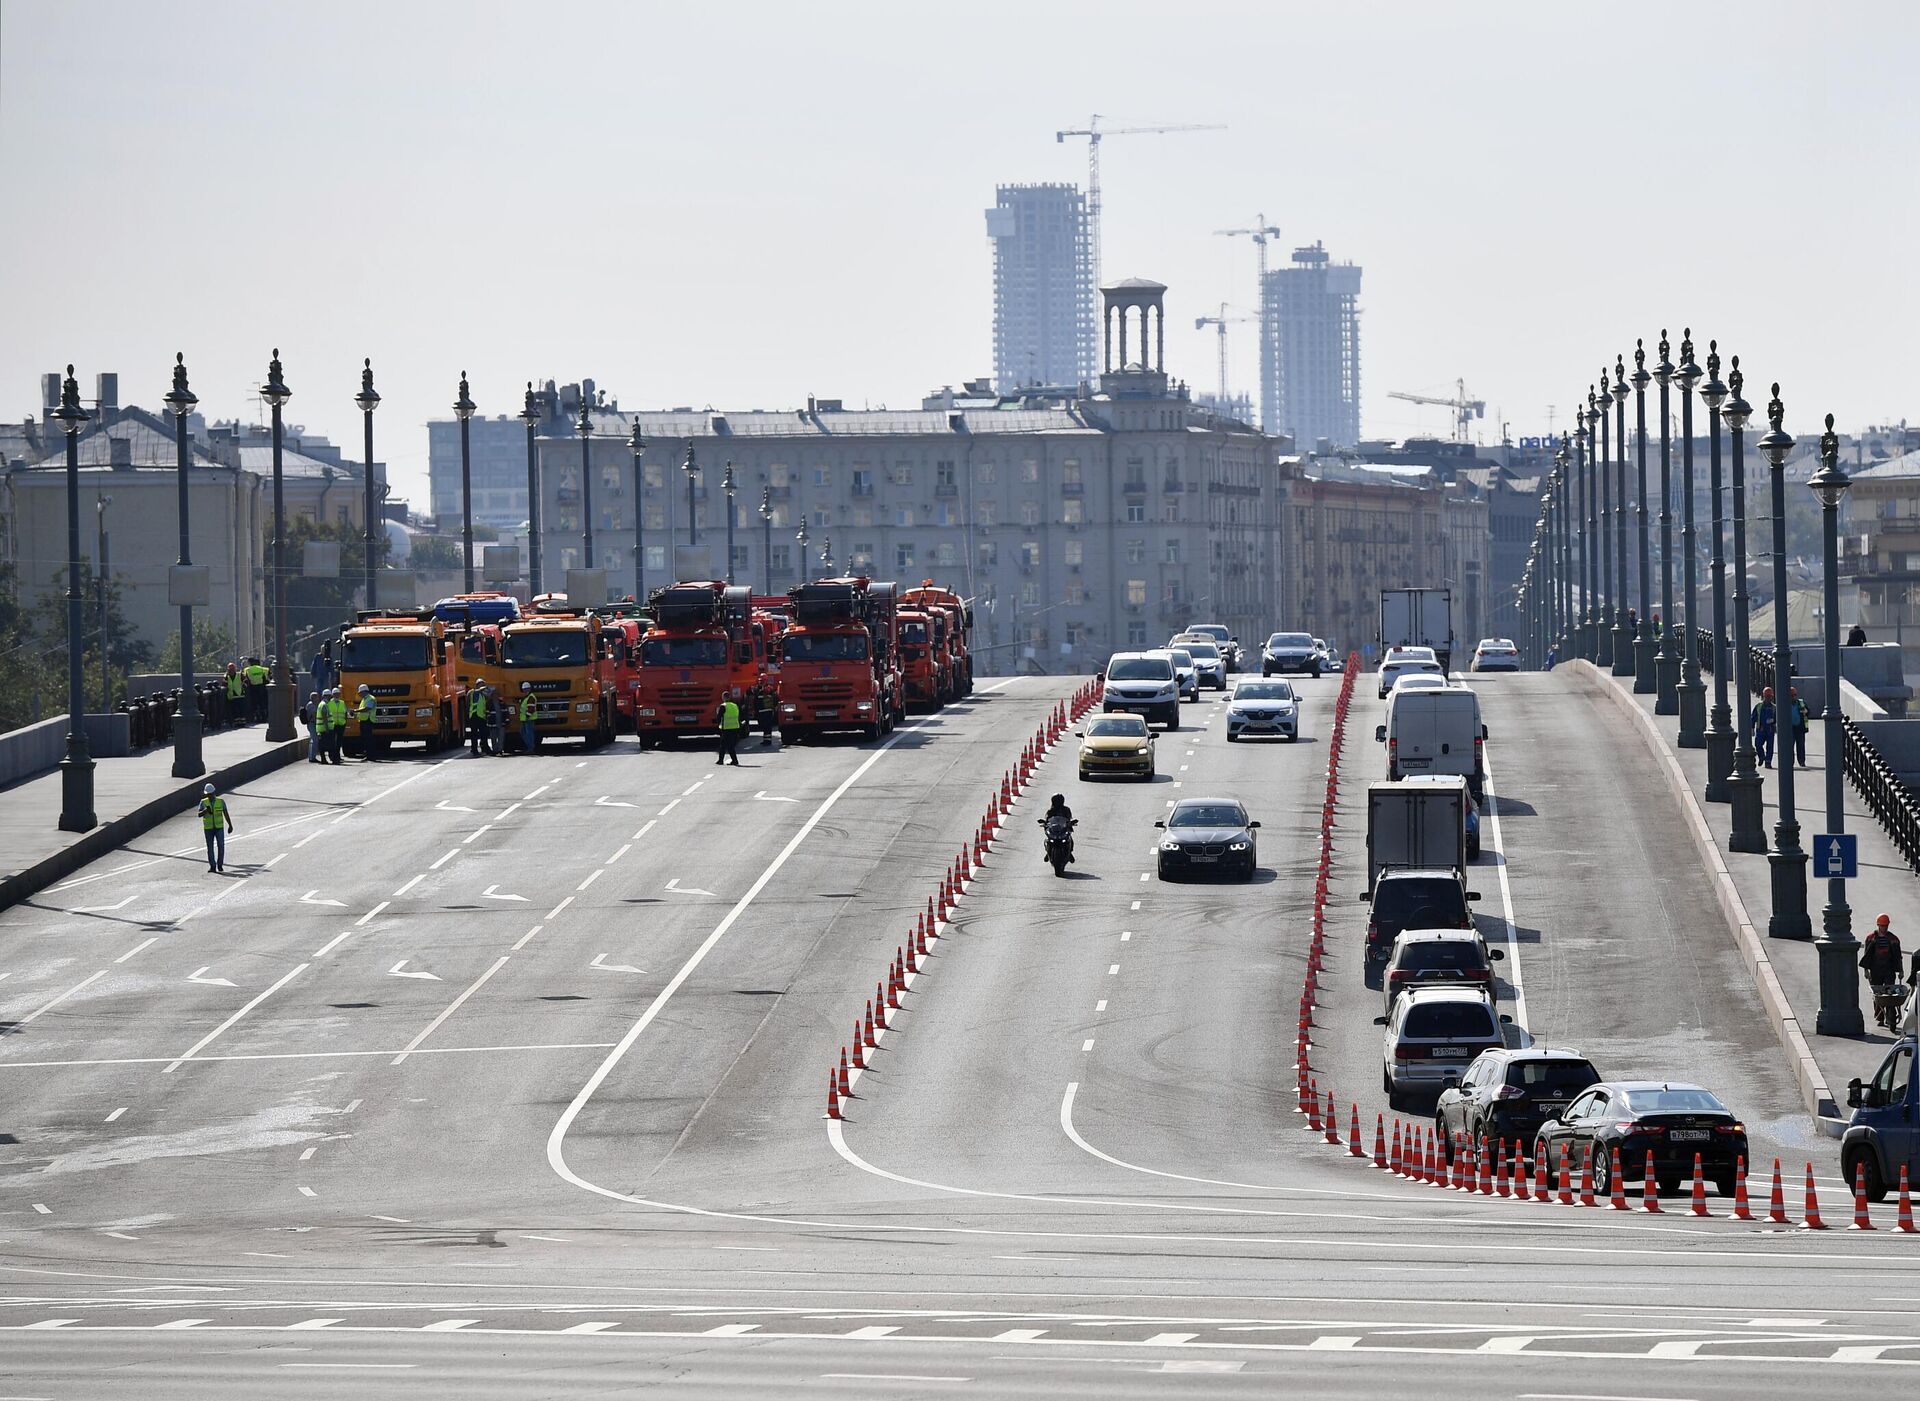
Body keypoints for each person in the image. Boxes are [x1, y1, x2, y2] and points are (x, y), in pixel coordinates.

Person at [198, 782, 233, 873]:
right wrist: (205, 811)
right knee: (210, 848)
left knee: (221, 846)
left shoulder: (220, 801)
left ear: (214, 793)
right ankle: (212, 866)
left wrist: (230, 825)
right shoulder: (203, 802)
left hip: (219, 827)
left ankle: (220, 864)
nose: (209, 796)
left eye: (210, 794)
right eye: (207, 794)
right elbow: (199, 814)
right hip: (208, 828)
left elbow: (225, 813)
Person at [1041, 792, 1075, 865]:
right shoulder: (1050, 811)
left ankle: (1070, 852)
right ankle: (1048, 852)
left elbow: (1069, 818)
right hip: (1053, 830)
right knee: (1047, 840)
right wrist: (1045, 824)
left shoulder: (1066, 810)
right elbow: (1047, 820)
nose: (1058, 803)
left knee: (1070, 839)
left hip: (1063, 829)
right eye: (1057, 801)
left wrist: (1070, 823)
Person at [715, 689, 744, 766]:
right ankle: (722, 760)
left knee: (726, 745)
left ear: (723, 697)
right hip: (735, 727)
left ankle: (732, 760)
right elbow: (740, 715)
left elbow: (718, 717)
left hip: (726, 728)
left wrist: (718, 725)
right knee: (727, 744)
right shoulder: (735, 705)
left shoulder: (723, 706)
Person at [1750, 686, 1777, 769]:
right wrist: (1752, 728)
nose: (1769, 698)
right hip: (1760, 729)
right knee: (1758, 744)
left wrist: (1773, 723)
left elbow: (1777, 719)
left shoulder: (1774, 707)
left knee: (1770, 747)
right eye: (1767, 696)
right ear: (1764, 696)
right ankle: (1761, 757)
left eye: (1770, 696)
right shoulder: (1758, 706)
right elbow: (1753, 717)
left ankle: (1768, 762)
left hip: (1770, 730)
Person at [1786, 686, 1811, 768]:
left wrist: (1806, 711)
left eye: (1794, 695)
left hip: (1800, 728)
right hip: (1790, 729)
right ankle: (1790, 763)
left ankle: (1802, 762)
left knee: (1801, 746)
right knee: (1790, 747)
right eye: (1791, 695)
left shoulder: (1801, 703)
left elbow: (1808, 711)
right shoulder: (1784, 704)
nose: (1793, 697)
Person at [243, 655, 270, 723]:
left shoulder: (247, 669)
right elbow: (267, 677)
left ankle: (256, 717)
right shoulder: (263, 669)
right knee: (262, 703)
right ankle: (264, 717)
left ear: (249, 663)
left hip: (253, 688)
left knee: (254, 703)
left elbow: (245, 679)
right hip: (262, 687)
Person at [353, 684, 377, 760]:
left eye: (360, 693)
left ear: (364, 691)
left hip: (368, 721)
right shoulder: (364, 699)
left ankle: (371, 756)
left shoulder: (370, 699)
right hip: (364, 721)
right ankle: (368, 755)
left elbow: (367, 708)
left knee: (368, 739)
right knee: (365, 739)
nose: (359, 694)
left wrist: (356, 711)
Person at [325, 687, 347, 764]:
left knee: (339, 742)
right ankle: (332, 756)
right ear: (333, 695)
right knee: (332, 742)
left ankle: (337, 756)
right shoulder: (329, 703)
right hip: (332, 725)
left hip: (341, 724)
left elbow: (345, 713)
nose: (337, 695)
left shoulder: (342, 703)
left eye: (338, 694)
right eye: (335, 694)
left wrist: (345, 722)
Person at [467, 685, 491, 755]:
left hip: (480, 716)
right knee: (474, 735)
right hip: (474, 716)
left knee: (484, 734)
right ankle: (474, 750)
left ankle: (485, 748)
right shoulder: (472, 692)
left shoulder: (483, 695)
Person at [486, 685, 508, 756]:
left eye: (496, 693)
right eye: (494, 694)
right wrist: (488, 722)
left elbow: (505, 712)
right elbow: (487, 714)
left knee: (501, 737)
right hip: (492, 724)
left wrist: (506, 721)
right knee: (493, 738)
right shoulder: (489, 703)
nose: (495, 695)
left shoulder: (502, 703)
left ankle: (500, 749)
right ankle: (495, 750)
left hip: (501, 723)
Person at [301, 690, 321, 763]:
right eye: (317, 697)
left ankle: (311, 756)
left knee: (312, 740)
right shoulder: (312, 705)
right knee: (315, 740)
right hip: (312, 724)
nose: (318, 699)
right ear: (313, 698)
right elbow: (314, 715)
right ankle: (312, 757)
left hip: (311, 724)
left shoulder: (310, 704)